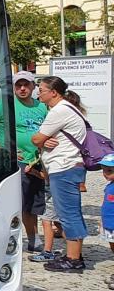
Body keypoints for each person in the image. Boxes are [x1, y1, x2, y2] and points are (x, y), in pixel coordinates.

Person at [31, 76, 88, 272]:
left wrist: (40, 140)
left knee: (68, 214)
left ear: (53, 92)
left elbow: (37, 137)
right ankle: (74, 254)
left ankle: (73, 259)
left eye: (41, 90)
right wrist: (44, 140)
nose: (38, 93)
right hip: (68, 167)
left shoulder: (60, 111)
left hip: (63, 168)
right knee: (71, 212)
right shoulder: (68, 109)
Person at [0, 70, 49, 252]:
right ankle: (24, 238)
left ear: (33, 86)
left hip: (38, 161)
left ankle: (34, 238)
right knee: (20, 202)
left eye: (26, 85)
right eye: (18, 85)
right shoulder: (4, 106)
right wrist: (0, 148)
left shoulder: (41, 107)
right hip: (16, 163)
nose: (22, 88)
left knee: (35, 203)